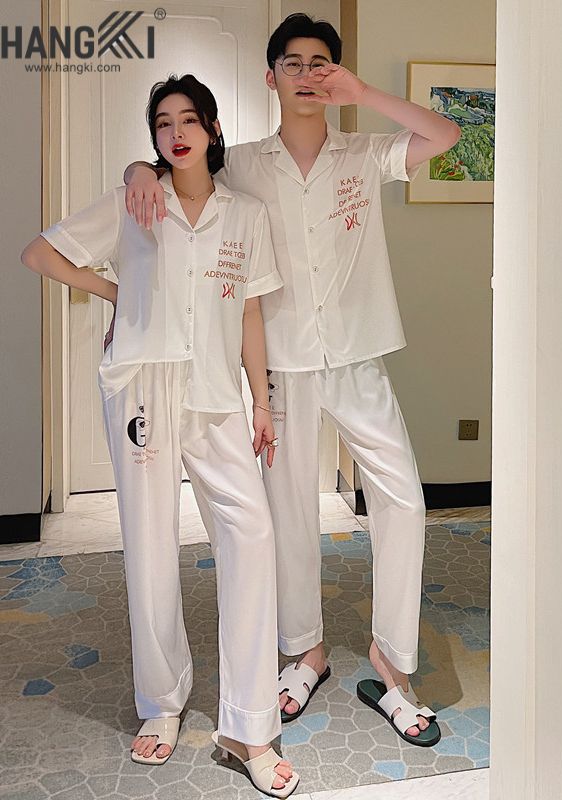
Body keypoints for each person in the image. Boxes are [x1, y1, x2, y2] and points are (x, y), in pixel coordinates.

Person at [123, 13, 461, 747]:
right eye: (293, 63)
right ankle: (304, 651)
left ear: (334, 74)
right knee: (289, 513)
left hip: (359, 356)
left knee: (404, 498)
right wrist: (138, 170)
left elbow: (446, 136)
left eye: (320, 63)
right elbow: (180, 166)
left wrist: (363, 94)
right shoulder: (243, 164)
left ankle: (392, 666)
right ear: (270, 77)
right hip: (280, 363)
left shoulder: (364, 153)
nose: (307, 75)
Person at [21, 74, 300, 798]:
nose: (176, 133)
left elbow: (249, 313)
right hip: (143, 385)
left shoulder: (245, 214)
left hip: (216, 392)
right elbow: (40, 254)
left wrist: (261, 400)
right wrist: (117, 291)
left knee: (252, 535)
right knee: (149, 545)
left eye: (188, 120)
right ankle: (162, 702)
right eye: (162, 123)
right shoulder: (135, 201)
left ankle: (249, 723)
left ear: (211, 129)